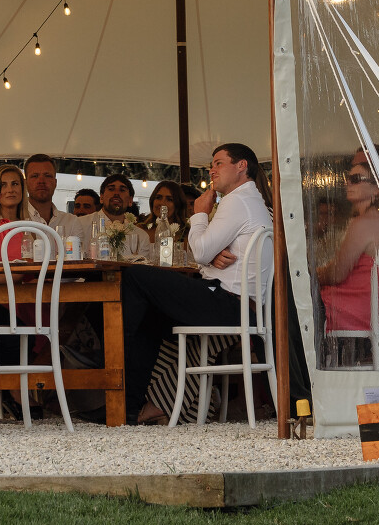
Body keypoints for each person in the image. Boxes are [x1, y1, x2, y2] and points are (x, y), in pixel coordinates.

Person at [118, 143, 278, 425]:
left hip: (228, 304)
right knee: (151, 317)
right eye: (211, 165)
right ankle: (135, 404)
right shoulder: (251, 201)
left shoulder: (237, 201)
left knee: (134, 277)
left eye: (218, 163)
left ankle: (124, 386)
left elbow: (200, 252)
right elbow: (206, 256)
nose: (211, 170)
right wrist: (209, 257)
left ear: (241, 166)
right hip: (239, 304)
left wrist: (200, 213)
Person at [319, 157, 379, 356]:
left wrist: (311, 274)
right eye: (348, 178)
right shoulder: (376, 220)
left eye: (356, 179)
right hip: (368, 310)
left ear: (376, 189)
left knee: (289, 308)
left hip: (352, 311)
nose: (348, 183)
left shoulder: (364, 222)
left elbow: (336, 274)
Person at [87, 174, 152, 261]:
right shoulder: (83, 224)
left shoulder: (141, 236)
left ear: (130, 201)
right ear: (101, 197)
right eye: (111, 189)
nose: (116, 193)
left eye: (122, 190)